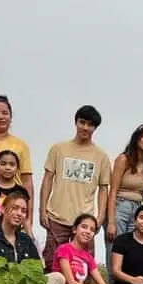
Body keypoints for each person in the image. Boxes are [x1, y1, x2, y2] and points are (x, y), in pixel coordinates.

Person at [39, 105, 112, 272]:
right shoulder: (58, 149)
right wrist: (42, 210)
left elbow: (103, 189)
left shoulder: (101, 156)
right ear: (76, 122)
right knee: (53, 265)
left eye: (90, 124)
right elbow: (48, 179)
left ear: (95, 128)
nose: (85, 127)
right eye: (82, 122)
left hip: (84, 222)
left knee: (82, 268)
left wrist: (100, 217)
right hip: (57, 218)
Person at [107, 124, 143, 243]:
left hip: (138, 209)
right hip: (120, 206)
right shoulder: (124, 159)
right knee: (115, 247)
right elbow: (113, 190)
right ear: (137, 139)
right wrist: (111, 222)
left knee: (131, 250)